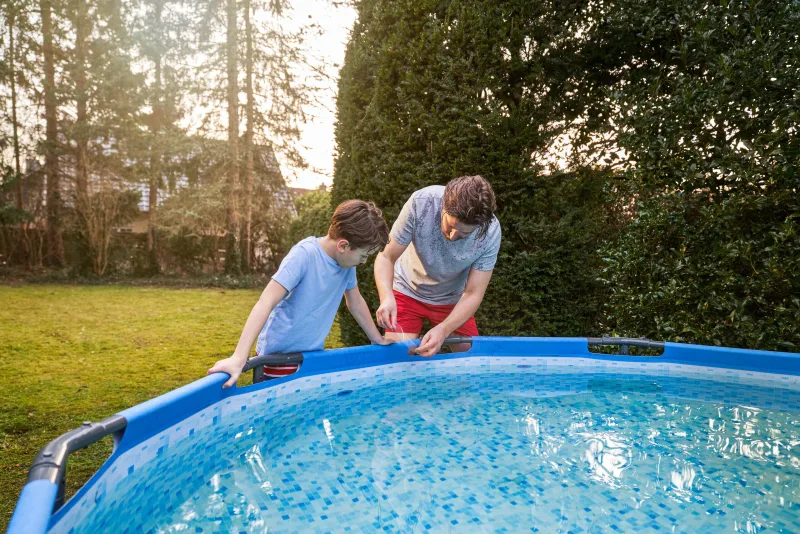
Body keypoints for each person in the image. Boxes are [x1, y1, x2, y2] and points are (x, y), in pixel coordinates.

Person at [209, 200, 393, 388]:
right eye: (363, 256)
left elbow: (355, 302)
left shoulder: (346, 264)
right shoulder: (304, 255)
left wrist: (376, 338)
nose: (363, 262)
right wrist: (239, 357)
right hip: (279, 358)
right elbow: (266, 302)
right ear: (343, 246)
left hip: (310, 356)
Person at [374, 175, 501, 357]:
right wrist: (386, 297)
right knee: (399, 358)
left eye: (464, 234)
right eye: (450, 226)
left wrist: (444, 329)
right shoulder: (422, 202)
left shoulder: (490, 232)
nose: (453, 236)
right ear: (443, 206)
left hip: (452, 299)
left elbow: (474, 293)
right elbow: (386, 257)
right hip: (407, 289)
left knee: (469, 359)